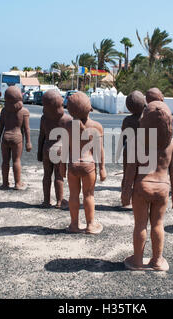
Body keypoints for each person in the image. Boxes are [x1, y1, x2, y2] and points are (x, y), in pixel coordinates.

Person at [122, 101, 173, 271]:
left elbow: (131, 170)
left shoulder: (137, 141)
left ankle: (138, 260)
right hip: (162, 188)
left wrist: (126, 191)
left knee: (140, 225)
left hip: (142, 186)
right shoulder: (172, 144)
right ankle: (157, 260)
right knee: (158, 224)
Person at [60, 92, 107, 234]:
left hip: (73, 165)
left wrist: (62, 166)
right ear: (89, 108)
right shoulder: (96, 126)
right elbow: (99, 150)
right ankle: (90, 225)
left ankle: (74, 225)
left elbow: (65, 148)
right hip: (88, 165)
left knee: (73, 195)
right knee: (89, 195)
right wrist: (102, 168)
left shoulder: (67, 125)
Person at [38, 90, 71, 208]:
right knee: (59, 176)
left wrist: (39, 152)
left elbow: (41, 136)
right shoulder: (67, 119)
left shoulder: (44, 118)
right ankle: (59, 201)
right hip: (60, 150)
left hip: (46, 148)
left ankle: (46, 201)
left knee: (47, 175)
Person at [0, 86, 32, 190]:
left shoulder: (4, 110)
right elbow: (27, 129)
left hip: (5, 137)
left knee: (5, 161)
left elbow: (0, 127)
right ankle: (17, 183)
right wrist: (28, 142)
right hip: (17, 138)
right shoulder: (24, 111)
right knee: (16, 161)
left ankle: (5, 183)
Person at [120, 90, 146, 207]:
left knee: (127, 174)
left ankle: (125, 198)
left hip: (129, 150)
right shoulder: (146, 120)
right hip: (142, 151)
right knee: (140, 175)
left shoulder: (127, 120)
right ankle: (138, 199)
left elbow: (123, 137)